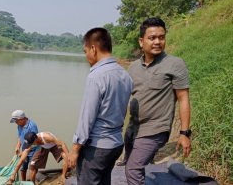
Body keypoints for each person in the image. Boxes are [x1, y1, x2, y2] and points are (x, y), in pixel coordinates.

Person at [124, 17, 192, 185]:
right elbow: (123, 96)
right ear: (141, 41)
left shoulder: (175, 64)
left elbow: (183, 99)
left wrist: (184, 134)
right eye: (152, 38)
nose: (157, 42)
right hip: (133, 128)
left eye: (161, 37)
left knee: (133, 169)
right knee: (131, 164)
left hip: (155, 129)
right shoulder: (133, 67)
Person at [68, 27, 133, 185]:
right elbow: (122, 111)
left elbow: (87, 117)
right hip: (116, 144)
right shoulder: (125, 75)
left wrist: (75, 150)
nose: (86, 56)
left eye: (85, 52)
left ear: (93, 48)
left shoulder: (96, 76)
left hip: (97, 148)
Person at [10, 109, 38, 181]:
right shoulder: (19, 125)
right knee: (23, 168)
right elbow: (20, 136)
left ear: (22, 119)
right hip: (24, 148)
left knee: (32, 167)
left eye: (16, 121)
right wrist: (18, 146)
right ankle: (23, 182)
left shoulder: (32, 126)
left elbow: (34, 141)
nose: (16, 123)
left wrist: (24, 152)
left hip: (33, 150)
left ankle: (32, 183)